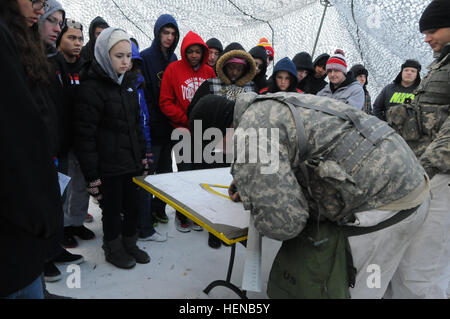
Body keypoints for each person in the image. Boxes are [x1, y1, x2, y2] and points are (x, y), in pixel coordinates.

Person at [192, 91, 430, 299]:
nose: (222, 151)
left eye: (216, 144)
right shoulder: (267, 105)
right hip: (412, 181)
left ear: (220, 130)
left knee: (356, 290)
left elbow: (285, 224)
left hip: (385, 206)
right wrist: (254, 180)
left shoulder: (251, 132)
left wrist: (257, 193)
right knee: (388, 284)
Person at [385, 0, 450, 299]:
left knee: (422, 268)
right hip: (425, 173)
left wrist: (428, 168)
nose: (426, 38)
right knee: (407, 256)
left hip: (441, 176)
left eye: (432, 29)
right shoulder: (441, 63)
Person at [0, 0, 63, 299]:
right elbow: (17, 133)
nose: (41, 8)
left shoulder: (21, 38)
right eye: (35, 1)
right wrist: (39, 209)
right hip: (16, 208)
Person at [74, 28, 150, 269]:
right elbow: (85, 136)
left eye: (128, 56)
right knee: (112, 208)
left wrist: (143, 155)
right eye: (119, 56)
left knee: (133, 205)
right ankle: (112, 246)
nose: (125, 61)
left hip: (131, 162)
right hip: (108, 166)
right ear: (105, 55)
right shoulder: (91, 88)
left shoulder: (129, 84)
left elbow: (137, 124)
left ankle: (130, 242)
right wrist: (92, 175)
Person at [158, 30, 216, 232]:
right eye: (190, 51)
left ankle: (197, 214)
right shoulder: (173, 69)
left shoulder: (209, 72)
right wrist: (187, 120)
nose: (193, 55)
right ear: (184, 51)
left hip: (204, 133)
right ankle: (182, 215)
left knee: (201, 175)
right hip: (182, 131)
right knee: (184, 173)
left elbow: (214, 100)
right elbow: (165, 102)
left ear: (203, 53)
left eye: (197, 51)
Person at [54, 19, 97, 251]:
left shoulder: (86, 68)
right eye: (72, 38)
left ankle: (76, 223)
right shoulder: (53, 66)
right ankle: (61, 229)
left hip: (83, 138)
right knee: (63, 187)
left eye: (80, 38)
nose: (77, 43)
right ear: (60, 39)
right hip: (60, 140)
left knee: (81, 185)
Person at [140, 14, 179, 225]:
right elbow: (145, 95)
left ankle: (159, 208)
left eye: (173, 34)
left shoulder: (173, 60)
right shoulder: (146, 57)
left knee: (166, 171)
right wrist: (151, 121)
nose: (169, 37)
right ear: (157, 32)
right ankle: (144, 213)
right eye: (166, 32)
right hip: (152, 125)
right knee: (150, 172)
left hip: (169, 125)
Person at [130, 41, 167, 243]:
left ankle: (144, 228)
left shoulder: (138, 84)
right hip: (119, 149)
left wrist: (146, 146)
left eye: (131, 59)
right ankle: (127, 230)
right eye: (120, 57)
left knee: (143, 184)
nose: (126, 63)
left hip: (141, 145)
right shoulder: (112, 87)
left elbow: (143, 117)